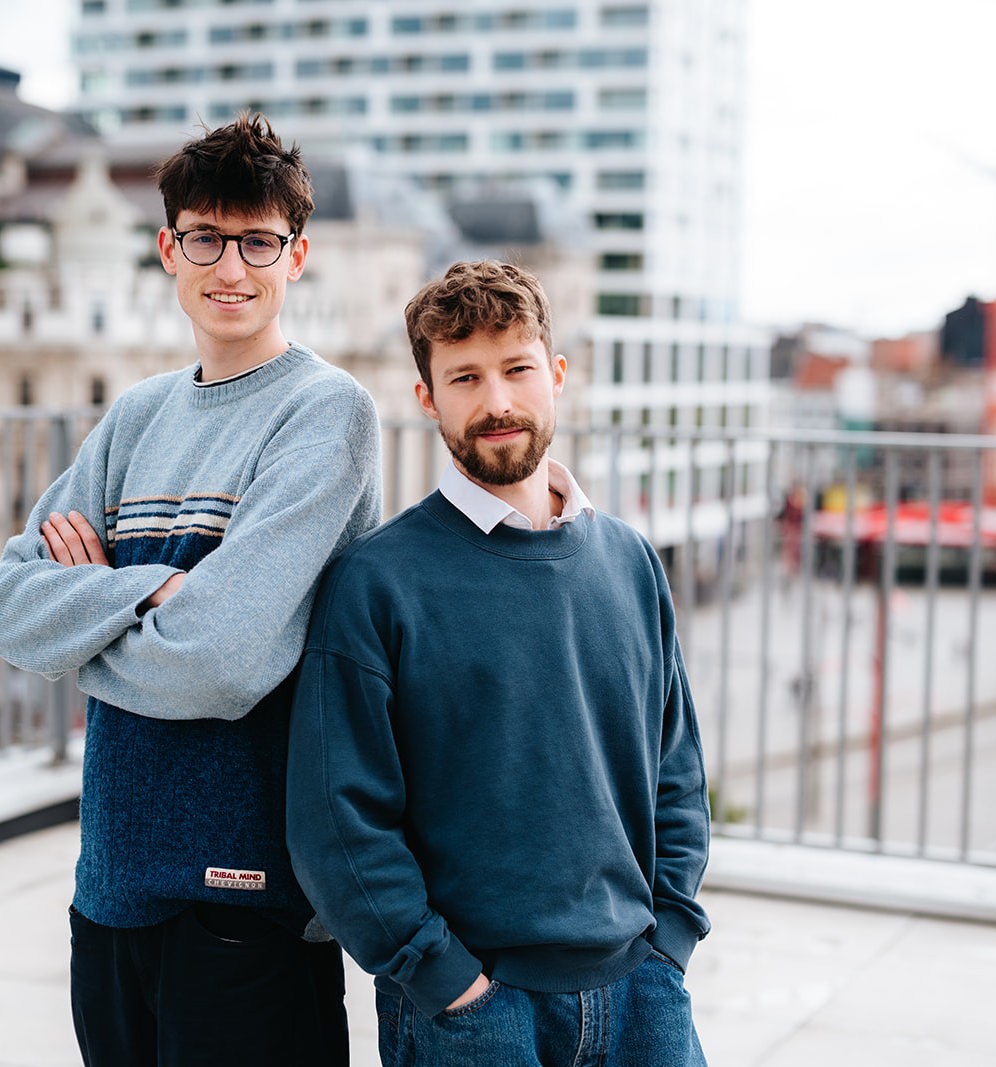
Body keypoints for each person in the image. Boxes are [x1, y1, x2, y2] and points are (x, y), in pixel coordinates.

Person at [0, 113, 380, 1067]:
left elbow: (223, 663)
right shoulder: (135, 416)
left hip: (249, 893)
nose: (230, 266)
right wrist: (163, 591)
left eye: (258, 241)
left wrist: (101, 601)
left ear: (297, 255)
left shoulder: (326, 413)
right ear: (168, 248)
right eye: (206, 237)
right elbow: (7, 610)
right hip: (110, 880)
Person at [287, 260, 710, 1066]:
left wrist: (672, 938)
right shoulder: (379, 581)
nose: (498, 402)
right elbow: (335, 818)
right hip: (473, 1011)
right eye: (465, 377)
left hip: (642, 990)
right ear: (427, 398)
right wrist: (441, 976)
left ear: (556, 375)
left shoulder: (630, 561)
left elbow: (677, 770)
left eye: (517, 368)